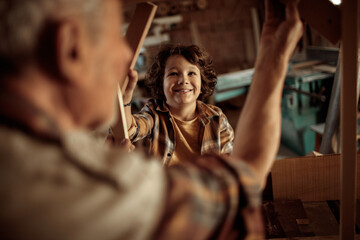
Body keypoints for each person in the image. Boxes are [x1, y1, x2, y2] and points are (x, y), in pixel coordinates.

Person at [0, 0, 303, 239]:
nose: (125, 58)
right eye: (115, 37)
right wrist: (274, 60)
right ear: (70, 48)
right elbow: (240, 184)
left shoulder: (215, 118)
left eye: (190, 74)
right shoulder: (86, 184)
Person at [121, 44, 234, 166]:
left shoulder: (217, 119)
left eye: (191, 73)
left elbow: (228, 164)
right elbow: (130, 129)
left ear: (202, 84)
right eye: (173, 74)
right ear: (161, 84)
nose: (183, 80)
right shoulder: (153, 114)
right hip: (165, 184)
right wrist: (126, 96)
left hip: (204, 184)